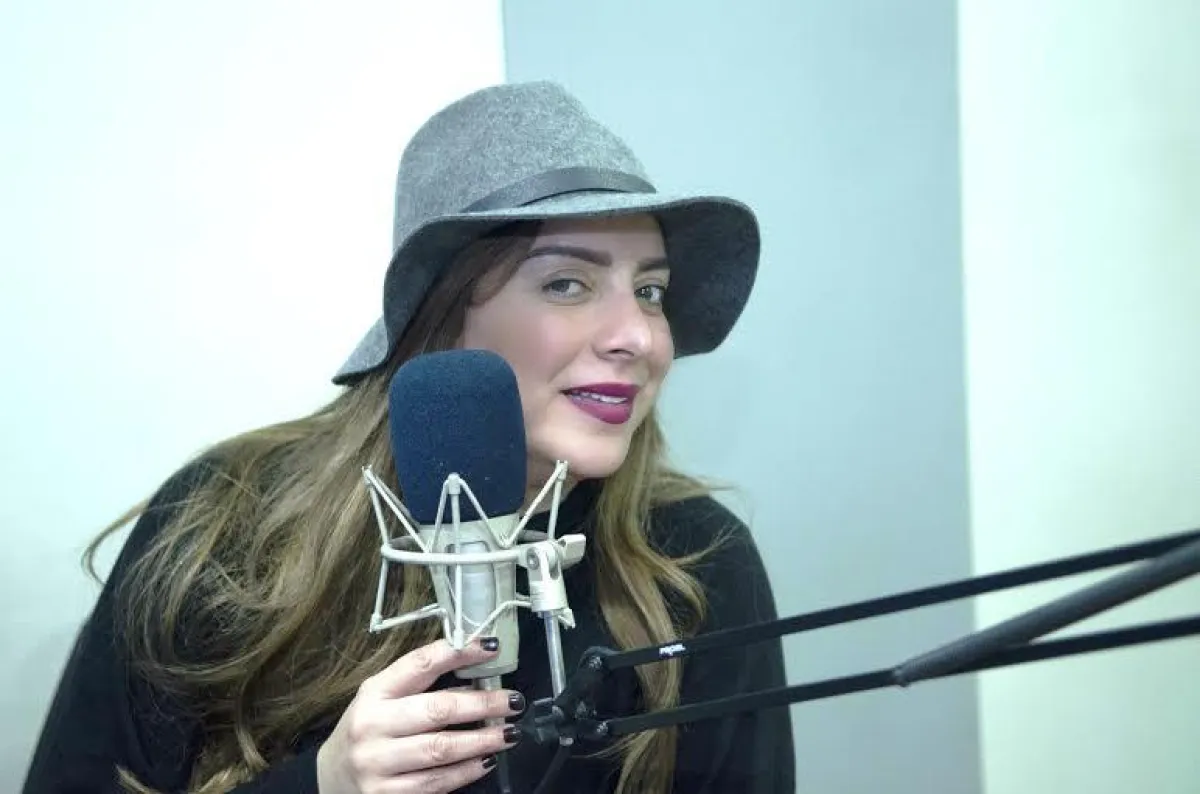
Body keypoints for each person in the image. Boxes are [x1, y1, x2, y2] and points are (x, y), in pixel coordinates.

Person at [23, 81, 795, 794]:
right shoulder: (223, 521)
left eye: (651, 291)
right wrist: (323, 785)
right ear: (442, 314)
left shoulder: (696, 563)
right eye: (568, 283)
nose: (640, 336)